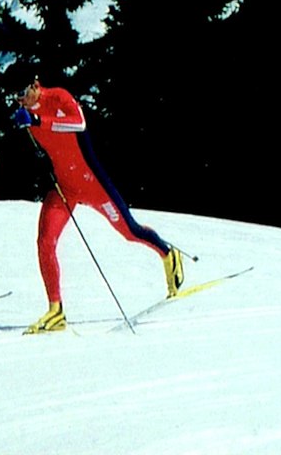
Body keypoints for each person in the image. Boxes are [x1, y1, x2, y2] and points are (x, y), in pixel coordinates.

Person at [14, 75, 183, 334]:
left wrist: (39, 121)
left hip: (93, 184)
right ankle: (56, 310)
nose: (21, 99)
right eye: (16, 95)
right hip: (65, 187)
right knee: (45, 241)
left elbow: (78, 123)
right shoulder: (26, 114)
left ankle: (167, 253)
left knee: (130, 232)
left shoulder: (58, 97)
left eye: (23, 92)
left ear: (35, 85)